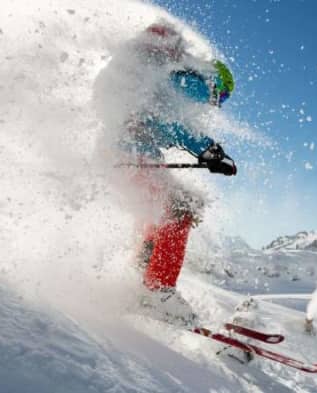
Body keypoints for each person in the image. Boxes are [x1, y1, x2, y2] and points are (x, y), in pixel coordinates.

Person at [119, 21, 237, 327]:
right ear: (214, 83)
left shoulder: (163, 78)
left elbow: (164, 123)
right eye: (221, 97)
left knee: (158, 210)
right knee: (180, 208)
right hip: (131, 155)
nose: (217, 105)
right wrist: (210, 151)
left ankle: (141, 277)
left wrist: (209, 151)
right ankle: (157, 291)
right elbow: (171, 124)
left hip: (128, 154)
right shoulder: (188, 83)